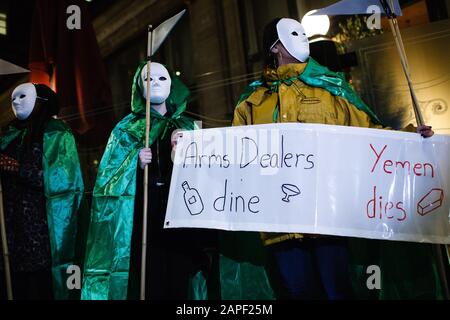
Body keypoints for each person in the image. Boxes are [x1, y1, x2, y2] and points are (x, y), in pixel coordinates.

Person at [232, 18, 434, 300]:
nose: (302, 37)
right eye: (293, 33)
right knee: (298, 293)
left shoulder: (331, 88)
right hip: (280, 224)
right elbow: (234, 155)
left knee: (337, 291)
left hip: (326, 217)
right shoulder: (251, 101)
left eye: (303, 32)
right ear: (275, 46)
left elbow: (369, 134)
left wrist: (412, 137)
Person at [82, 62, 204, 300]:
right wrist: (133, 163)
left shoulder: (187, 126)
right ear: (139, 86)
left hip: (181, 218)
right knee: (153, 281)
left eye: (161, 78)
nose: (156, 83)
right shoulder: (127, 129)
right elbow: (109, 178)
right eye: (149, 79)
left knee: (181, 280)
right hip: (146, 220)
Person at [0, 83, 84, 300]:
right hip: (13, 231)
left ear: (40, 101)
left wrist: (18, 168)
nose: (16, 102)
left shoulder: (56, 133)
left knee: (44, 286)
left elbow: (62, 180)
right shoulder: (10, 133)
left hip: (44, 229)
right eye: (13, 98)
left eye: (22, 96)